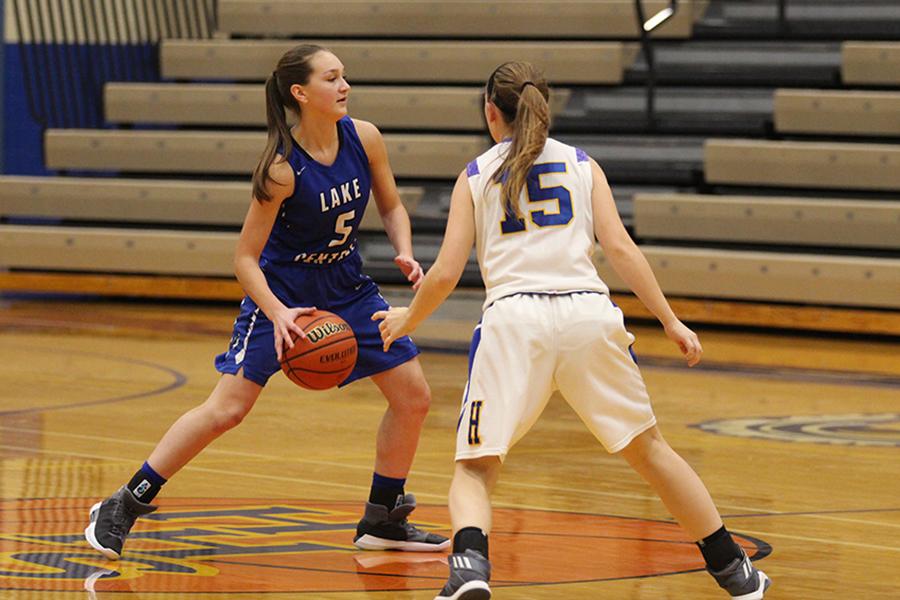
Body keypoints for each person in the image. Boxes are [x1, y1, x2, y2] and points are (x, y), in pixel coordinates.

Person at [373, 62, 771, 600]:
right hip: (589, 315)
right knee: (651, 452)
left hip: (515, 321)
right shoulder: (584, 165)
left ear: (492, 113)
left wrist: (407, 319)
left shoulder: (475, 174)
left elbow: (444, 273)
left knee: (475, 466)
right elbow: (622, 250)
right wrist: (670, 320)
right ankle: (735, 572)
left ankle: (469, 570)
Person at [84, 44, 449, 560]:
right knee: (227, 410)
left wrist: (406, 252)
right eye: (331, 78)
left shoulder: (363, 137)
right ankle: (125, 502)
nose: (344, 86)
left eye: (344, 76)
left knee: (412, 396)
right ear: (301, 93)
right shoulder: (282, 170)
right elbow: (244, 259)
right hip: (281, 297)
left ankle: (382, 518)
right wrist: (277, 312)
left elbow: (391, 205)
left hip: (346, 287)